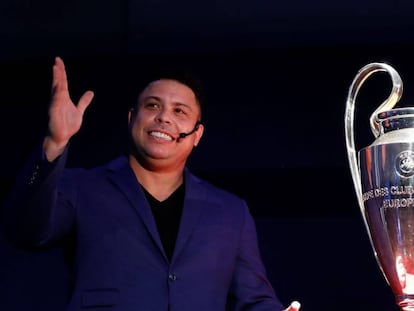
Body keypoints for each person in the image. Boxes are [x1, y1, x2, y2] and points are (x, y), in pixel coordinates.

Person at [3, 56, 301, 311]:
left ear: (197, 135)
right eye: (153, 106)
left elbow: (254, 300)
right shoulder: (84, 187)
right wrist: (54, 144)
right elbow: (24, 230)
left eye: (179, 111)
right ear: (133, 118)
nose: (163, 118)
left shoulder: (231, 212)